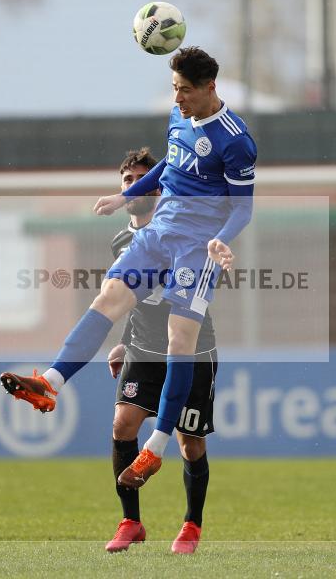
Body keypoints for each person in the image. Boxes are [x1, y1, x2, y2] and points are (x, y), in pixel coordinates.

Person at [0, 46, 256, 490]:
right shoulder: (178, 117)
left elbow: (243, 208)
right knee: (108, 298)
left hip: (197, 250)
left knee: (181, 339)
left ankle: (155, 448)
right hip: (159, 234)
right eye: (174, 89)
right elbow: (169, 165)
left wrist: (221, 239)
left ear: (210, 87)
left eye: (185, 91)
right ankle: (51, 383)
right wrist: (125, 195)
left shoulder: (236, 140)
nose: (178, 99)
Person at [104, 148, 217, 555]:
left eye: (141, 179)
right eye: (127, 180)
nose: (134, 186)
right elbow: (130, 298)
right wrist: (122, 340)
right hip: (143, 348)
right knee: (123, 425)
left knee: (191, 444)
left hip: (191, 350)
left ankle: (191, 525)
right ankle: (131, 522)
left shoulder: (182, 231)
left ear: (158, 188)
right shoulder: (120, 242)